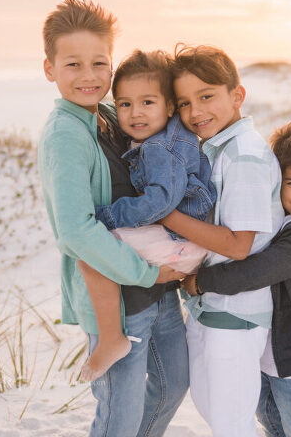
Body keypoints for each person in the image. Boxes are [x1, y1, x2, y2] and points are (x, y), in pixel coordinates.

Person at [37, 0, 186, 437]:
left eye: (99, 63)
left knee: (174, 383)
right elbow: (76, 231)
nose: (88, 76)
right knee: (118, 415)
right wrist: (147, 273)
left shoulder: (107, 115)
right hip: (121, 297)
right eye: (73, 65)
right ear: (50, 69)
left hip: (157, 289)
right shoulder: (64, 134)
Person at [182, 123, 291, 437]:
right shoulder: (282, 223)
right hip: (271, 353)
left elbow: (257, 271)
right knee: (274, 425)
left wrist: (203, 281)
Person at [159, 44, 285, 436]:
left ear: (237, 95)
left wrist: (163, 213)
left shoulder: (244, 155)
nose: (195, 112)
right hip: (209, 306)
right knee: (215, 411)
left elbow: (237, 244)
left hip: (236, 313)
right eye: (184, 103)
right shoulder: (218, 149)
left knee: (231, 424)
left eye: (207, 96)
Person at [78, 49, 217, 382]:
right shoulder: (169, 135)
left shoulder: (158, 149)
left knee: (94, 249)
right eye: (124, 104)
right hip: (187, 239)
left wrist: (108, 216)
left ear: (169, 106)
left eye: (147, 103)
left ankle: (111, 338)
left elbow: (160, 203)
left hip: (183, 241)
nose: (134, 113)